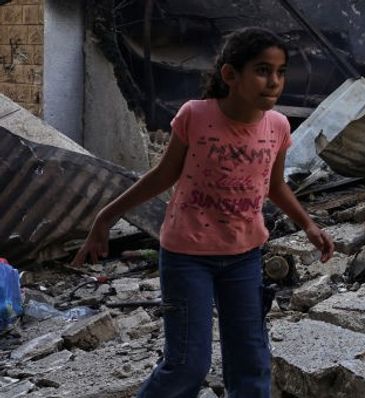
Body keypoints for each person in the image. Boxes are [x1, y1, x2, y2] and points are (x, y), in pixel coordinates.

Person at [72, 27, 334, 398]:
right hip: (187, 257)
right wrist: (105, 218)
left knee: (251, 362)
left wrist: (308, 224)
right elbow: (163, 175)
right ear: (230, 75)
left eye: (280, 72)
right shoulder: (196, 116)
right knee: (187, 365)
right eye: (262, 70)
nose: (273, 82)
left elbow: (275, 186)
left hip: (243, 258)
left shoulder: (277, 126)